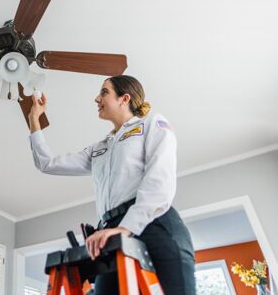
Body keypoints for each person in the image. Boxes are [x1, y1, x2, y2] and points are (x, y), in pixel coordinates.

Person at [27, 75, 196, 295]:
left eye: (104, 92)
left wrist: (126, 228)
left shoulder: (152, 124)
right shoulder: (99, 148)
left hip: (154, 224)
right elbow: (47, 164)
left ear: (124, 98)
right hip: (111, 233)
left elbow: (159, 181)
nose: (97, 98)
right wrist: (34, 120)